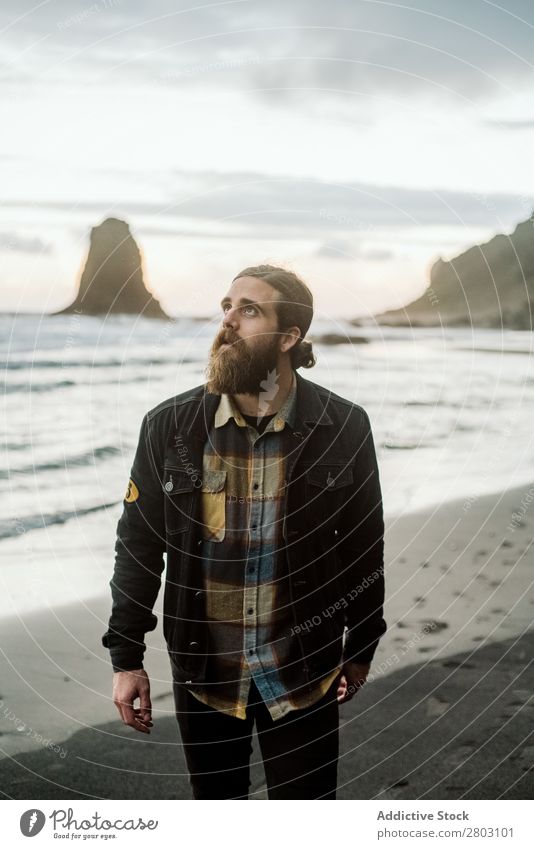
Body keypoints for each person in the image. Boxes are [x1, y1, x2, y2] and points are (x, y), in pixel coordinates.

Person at [102, 264, 386, 800]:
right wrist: (126, 657)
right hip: (205, 671)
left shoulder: (344, 425)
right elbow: (139, 546)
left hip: (304, 670)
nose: (229, 320)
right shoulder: (170, 426)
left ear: (290, 335)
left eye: (249, 310)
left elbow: (363, 547)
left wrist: (362, 644)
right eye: (227, 306)